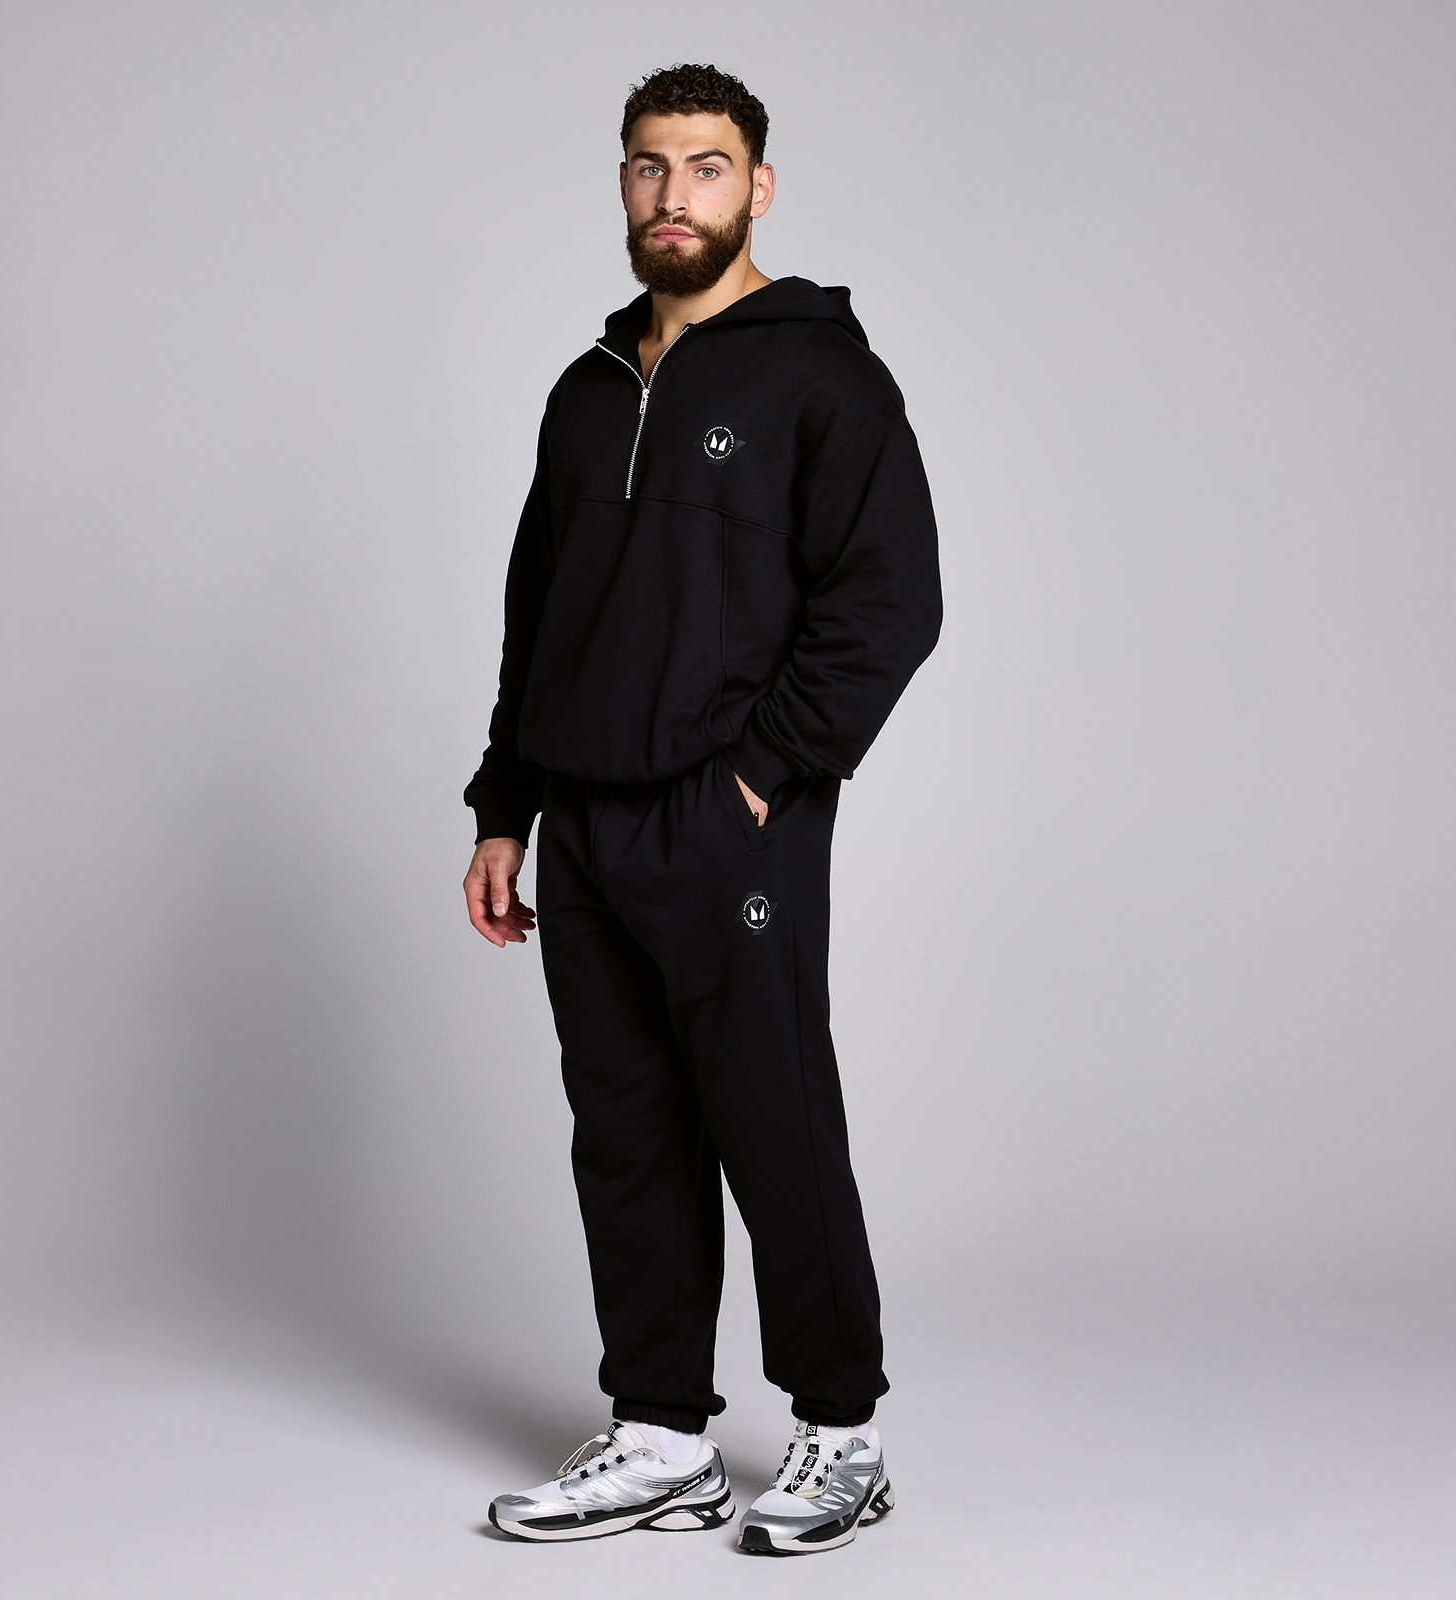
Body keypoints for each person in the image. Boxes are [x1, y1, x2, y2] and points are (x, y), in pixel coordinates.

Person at [462, 63, 941, 1555]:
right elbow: (540, 616)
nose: (676, 196)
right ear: (624, 183)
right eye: (651, 166)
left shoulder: (825, 380)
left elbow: (890, 604)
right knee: (625, 1132)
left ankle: (842, 1432)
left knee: (770, 1120)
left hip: (733, 823)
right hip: (586, 825)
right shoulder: (586, 390)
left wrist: (758, 776)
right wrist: (506, 806)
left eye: (708, 167)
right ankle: (664, 1434)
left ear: (759, 188)